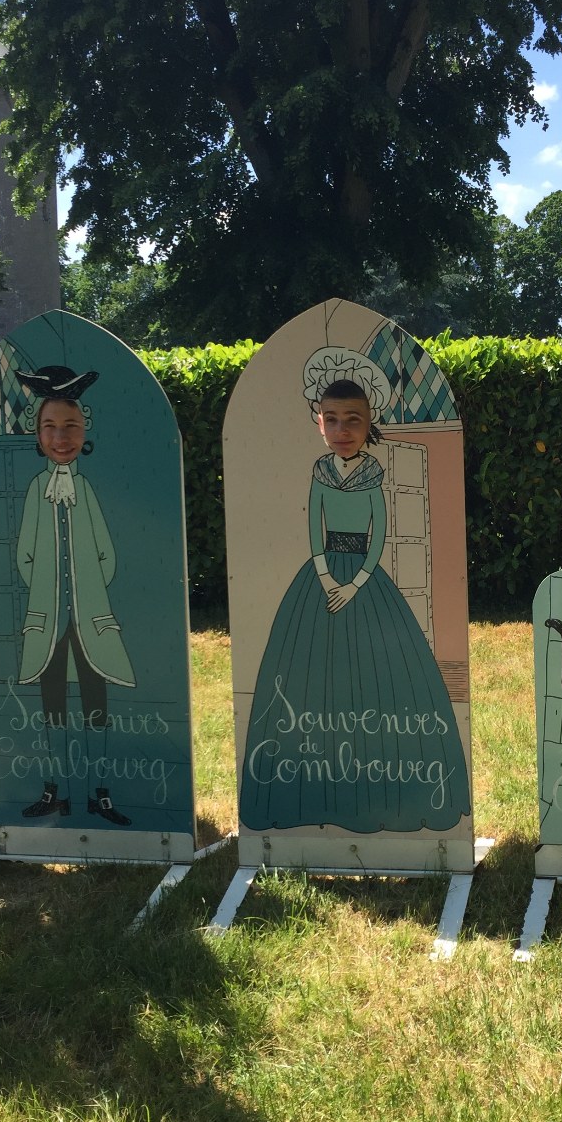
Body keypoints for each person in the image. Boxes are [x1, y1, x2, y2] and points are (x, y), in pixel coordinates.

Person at [239, 348, 470, 833]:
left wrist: (356, 583)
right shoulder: (321, 473)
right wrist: (327, 579)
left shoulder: (372, 475)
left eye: (353, 420)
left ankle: (381, 787)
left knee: (383, 675)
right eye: (332, 420)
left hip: (364, 579)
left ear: (369, 424)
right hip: (321, 578)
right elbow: (314, 528)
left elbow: (379, 533)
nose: (342, 429)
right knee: (309, 671)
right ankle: (312, 793)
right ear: (318, 423)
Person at [15, 365, 135, 825]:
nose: (61, 437)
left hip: (91, 620)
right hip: (48, 621)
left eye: (71, 426)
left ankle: (99, 792)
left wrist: (89, 594)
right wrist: (48, 594)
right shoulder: (36, 490)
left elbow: (106, 554)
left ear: (85, 430)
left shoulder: (84, 488)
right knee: (53, 708)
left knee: (95, 705)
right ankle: (55, 789)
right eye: (50, 427)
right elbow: (26, 555)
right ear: (37, 433)